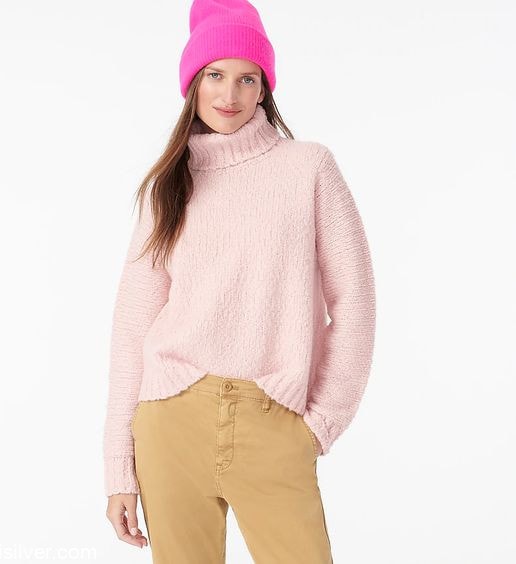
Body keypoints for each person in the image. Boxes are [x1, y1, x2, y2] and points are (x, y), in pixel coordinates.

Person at [103, 0, 376, 561]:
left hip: (273, 419)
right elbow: (133, 325)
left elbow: (355, 300)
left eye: (247, 78)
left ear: (264, 88)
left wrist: (322, 422)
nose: (229, 94)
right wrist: (118, 467)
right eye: (215, 75)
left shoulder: (309, 168)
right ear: (193, 83)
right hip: (169, 422)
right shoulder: (168, 186)